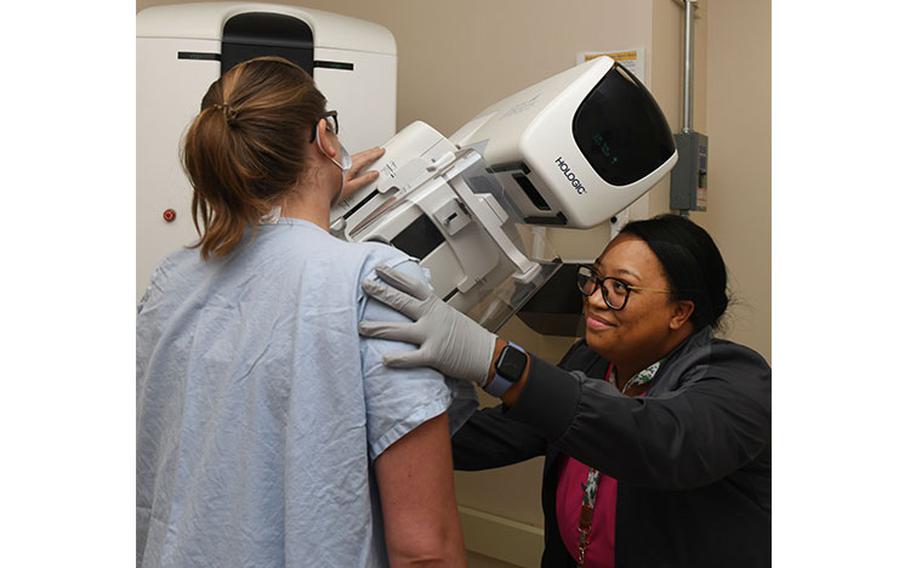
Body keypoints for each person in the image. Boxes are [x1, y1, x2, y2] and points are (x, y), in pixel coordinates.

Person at [136, 56, 472, 568]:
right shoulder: (374, 282)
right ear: (325, 137)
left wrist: (318, 209)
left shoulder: (171, 281)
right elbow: (424, 551)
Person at [359, 214, 771, 567]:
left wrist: (496, 361)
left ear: (680, 312)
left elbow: (660, 442)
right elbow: (488, 439)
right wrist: (382, 402)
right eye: (595, 279)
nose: (594, 299)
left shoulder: (736, 378)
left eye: (620, 288)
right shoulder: (590, 362)